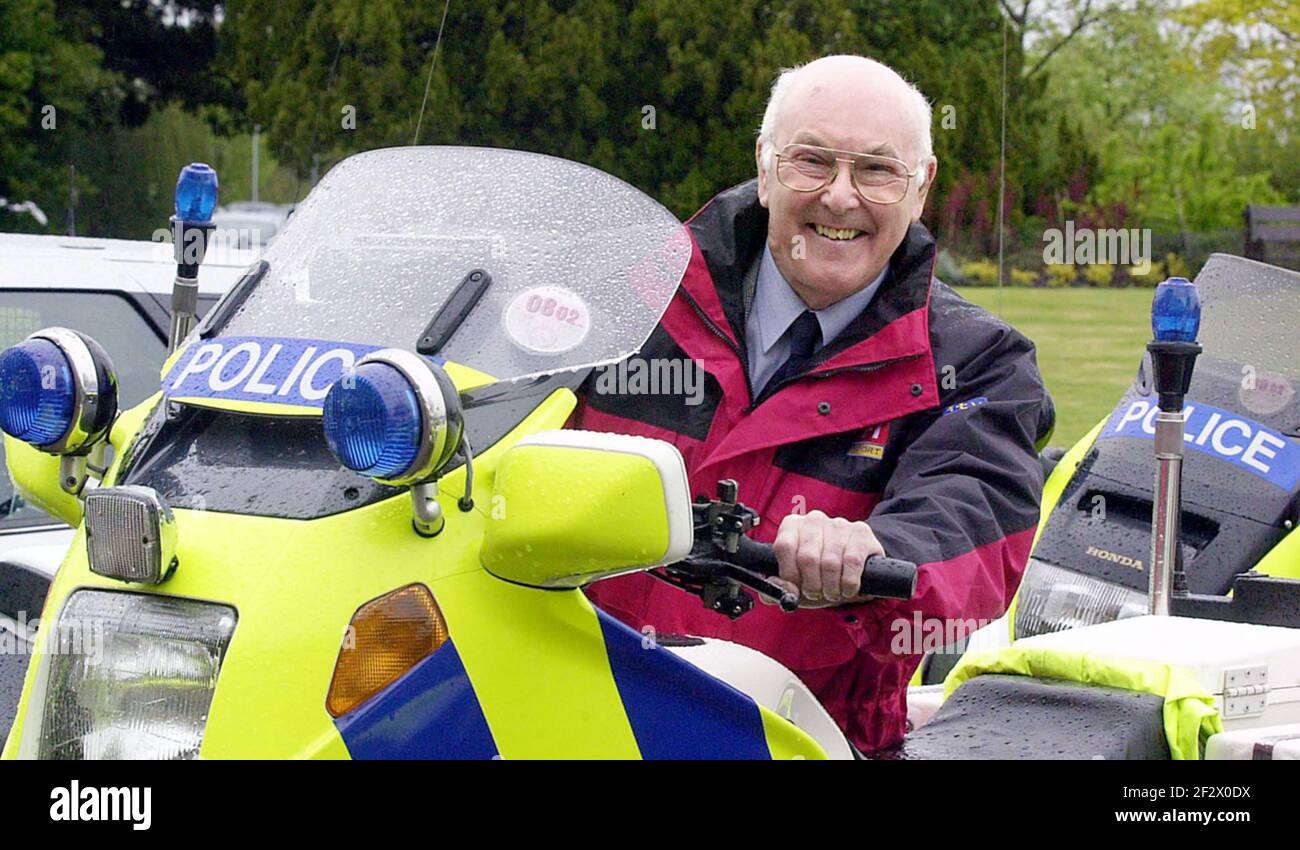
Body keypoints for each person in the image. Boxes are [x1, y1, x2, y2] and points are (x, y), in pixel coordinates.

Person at [569, 54, 1054, 754]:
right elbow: (492, 423)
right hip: (566, 709)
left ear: (922, 189)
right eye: (812, 161)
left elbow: (976, 516)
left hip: (801, 740)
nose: (839, 197)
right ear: (764, 168)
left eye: (878, 171)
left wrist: (881, 551)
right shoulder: (627, 299)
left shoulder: (977, 363)